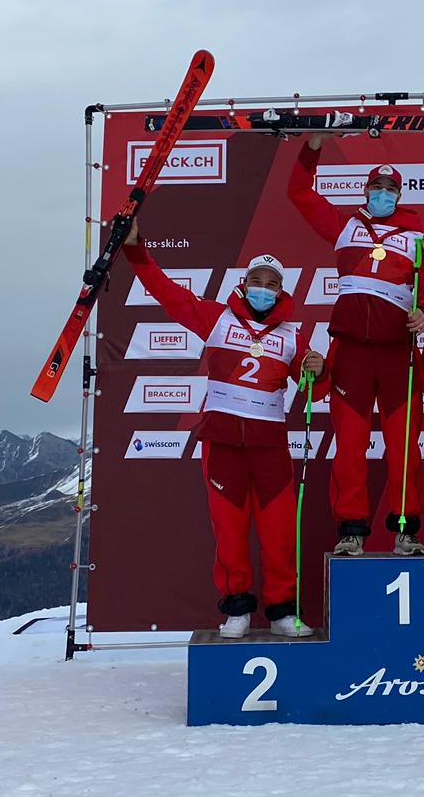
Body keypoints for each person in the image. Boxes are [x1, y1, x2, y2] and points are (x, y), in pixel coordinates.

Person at [124, 234, 322, 637]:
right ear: (243, 283)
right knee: (229, 530)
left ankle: (282, 610)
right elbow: (165, 291)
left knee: (279, 532)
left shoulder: (292, 336)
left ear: (281, 290)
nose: (263, 289)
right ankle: (237, 608)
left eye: (271, 283)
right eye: (257, 280)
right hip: (223, 442)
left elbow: (313, 385)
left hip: (269, 447)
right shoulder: (216, 317)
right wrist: (134, 249)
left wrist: (317, 368)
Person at [288, 137, 424, 555]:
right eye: (376, 188)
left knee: (404, 448)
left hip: (397, 354)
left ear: (399, 196)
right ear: (366, 192)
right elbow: (298, 192)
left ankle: (406, 530)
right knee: (349, 447)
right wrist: (311, 149)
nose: (383, 195)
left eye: (390, 190)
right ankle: (351, 530)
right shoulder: (344, 226)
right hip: (350, 350)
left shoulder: (419, 237)